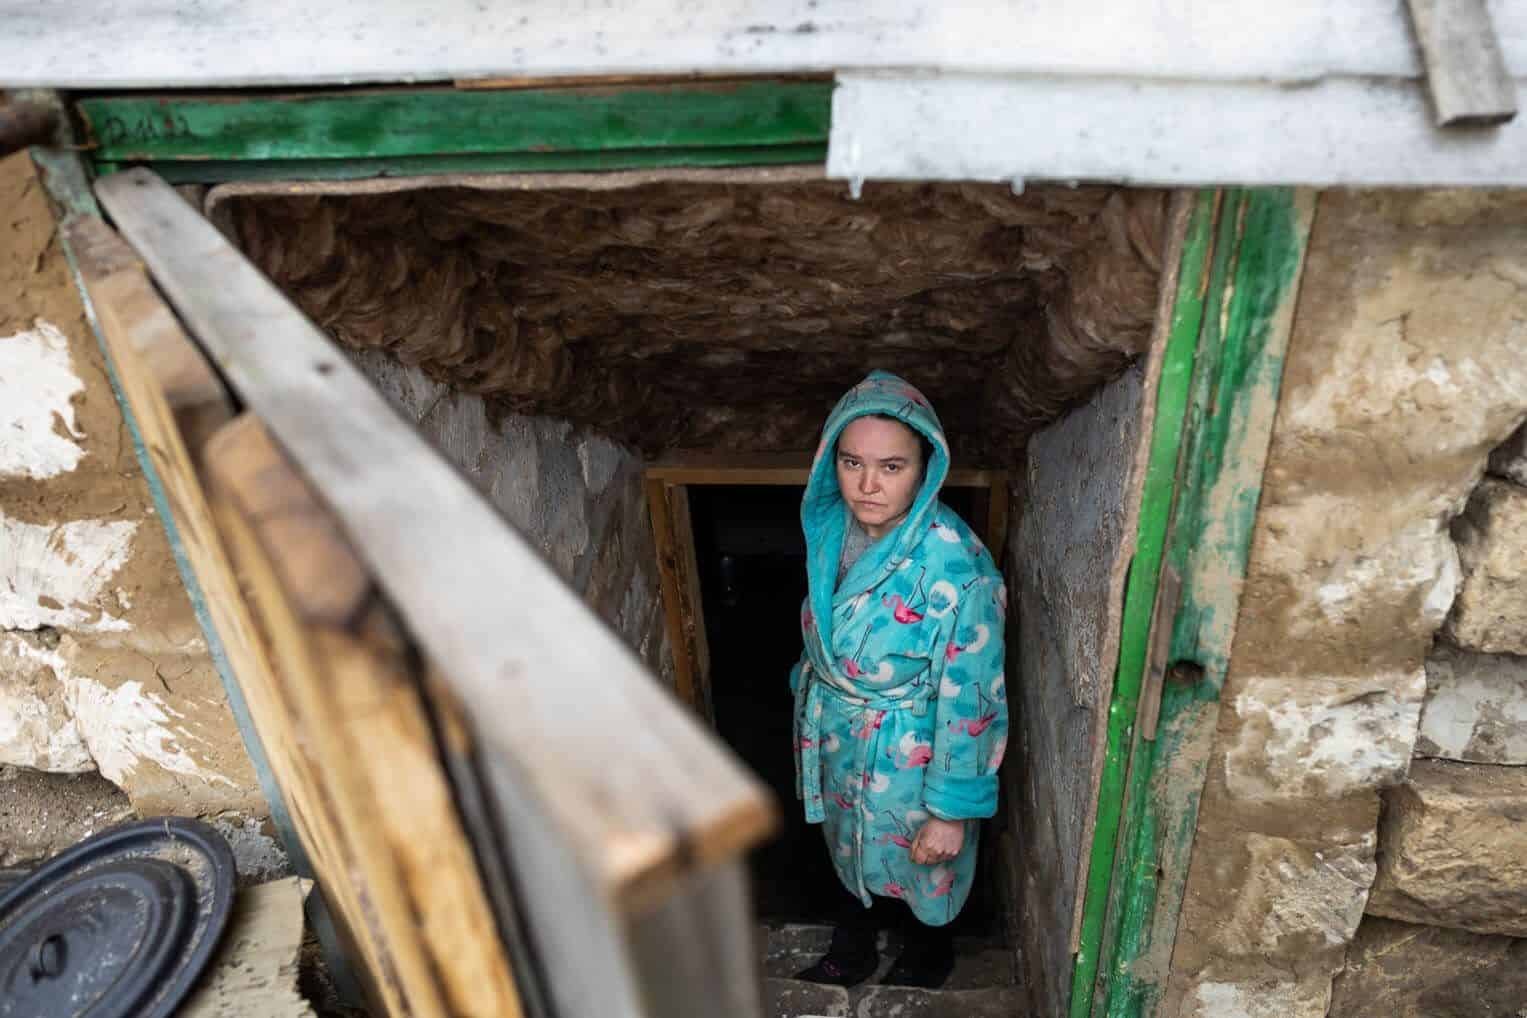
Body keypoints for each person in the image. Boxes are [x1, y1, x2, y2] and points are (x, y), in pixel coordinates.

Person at [788, 369, 1008, 989]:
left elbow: (976, 697)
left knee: (924, 862)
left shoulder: (960, 569)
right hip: (839, 731)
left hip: (915, 750)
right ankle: (853, 946)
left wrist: (950, 812)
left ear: (926, 468)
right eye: (852, 462)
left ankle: (926, 955)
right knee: (844, 845)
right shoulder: (833, 531)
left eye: (891, 467)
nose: (867, 484)